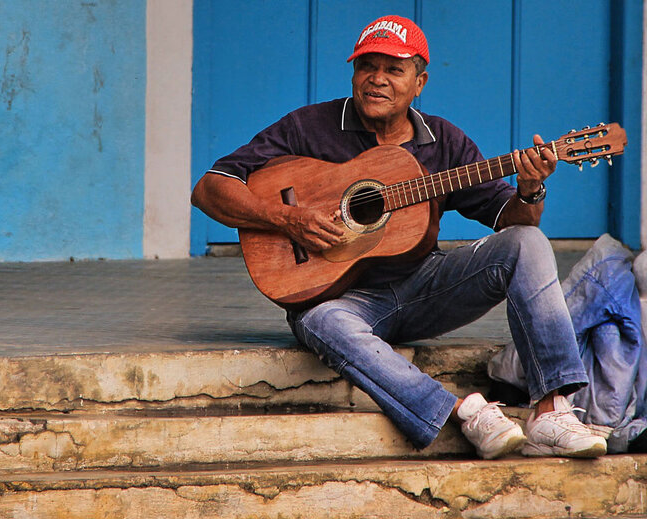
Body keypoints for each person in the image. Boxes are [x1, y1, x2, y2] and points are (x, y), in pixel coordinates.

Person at [191, 15, 606, 459]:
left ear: (419, 82)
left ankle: (552, 411)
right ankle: (464, 411)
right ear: (353, 74)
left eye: (394, 69)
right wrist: (287, 218)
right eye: (367, 66)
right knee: (318, 321)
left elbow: (511, 217)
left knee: (528, 242)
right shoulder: (308, 127)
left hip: (425, 288)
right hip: (339, 298)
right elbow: (210, 187)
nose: (377, 79)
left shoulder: (443, 141)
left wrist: (531, 188)